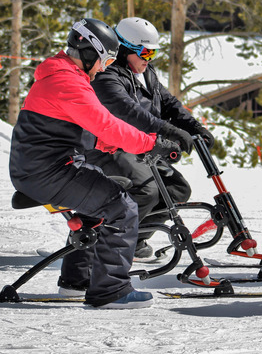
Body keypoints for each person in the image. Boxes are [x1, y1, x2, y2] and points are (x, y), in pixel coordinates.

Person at [8, 18, 182, 309]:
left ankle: (76, 281)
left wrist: (119, 146)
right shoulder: (67, 82)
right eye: (106, 59)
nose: (105, 67)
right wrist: (152, 143)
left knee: (111, 192)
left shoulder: (62, 76)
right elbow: (107, 125)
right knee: (122, 206)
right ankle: (111, 290)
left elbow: (86, 131)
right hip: (47, 171)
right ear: (91, 51)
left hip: (43, 167)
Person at [84, 17, 214, 259]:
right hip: (110, 146)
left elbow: (168, 104)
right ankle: (104, 242)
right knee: (147, 190)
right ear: (124, 48)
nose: (149, 59)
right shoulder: (106, 73)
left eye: (153, 53)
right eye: (145, 52)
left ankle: (136, 237)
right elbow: (128, 111)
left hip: (141, 146)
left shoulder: (146, 72)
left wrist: (195, 128)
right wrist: (168, 130)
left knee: (177, 189)